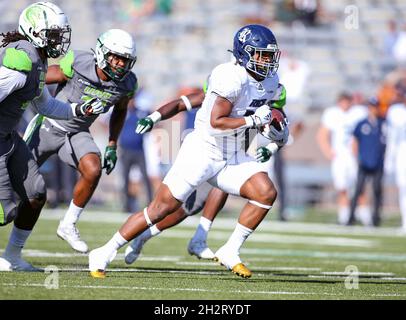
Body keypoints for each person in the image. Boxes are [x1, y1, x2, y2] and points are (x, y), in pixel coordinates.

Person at [89, 24, 289, 279]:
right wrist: (254, 121)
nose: (268, 61)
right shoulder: (230, 77)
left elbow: (270, 111)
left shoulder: (271, 81)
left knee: (265, 192)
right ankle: (105, 250)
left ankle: (230, 249)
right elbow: (217, 123)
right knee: (160, 209)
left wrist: (277, 128)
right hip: (204, 150)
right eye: (262, 54)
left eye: (270, 55)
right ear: (245, 53)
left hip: (233, 153)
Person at [124, 85, 287, 264]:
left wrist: (270, 149)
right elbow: (182, 103)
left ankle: (200, 238)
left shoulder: (266, 104)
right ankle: (143, 237)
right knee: (177, 208)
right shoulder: (229, 92)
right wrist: (154, 117)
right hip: (205, 153)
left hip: (233, 155)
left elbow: (281, 134)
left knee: (200, 202)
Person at [0, 2, 104, 271]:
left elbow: (44, 105)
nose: (59, 40)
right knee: (5, 212)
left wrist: (79, 108)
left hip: (9, 137)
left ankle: (11, 257)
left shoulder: (37, 59)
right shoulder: (21, 59)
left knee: (35, 193)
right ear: (35, 31)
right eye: (54, 34)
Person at [26, 28, 138, 253]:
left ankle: (68, 224)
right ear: (101, 53)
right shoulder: (78, 63)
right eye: (115, 57)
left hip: (77, 132)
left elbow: (120, 110)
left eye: (125, 60)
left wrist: (112, 144)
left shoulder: (127, 83)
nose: (119, 64)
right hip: (48, 126)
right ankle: (12, 249)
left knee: (93, 169)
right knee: (18, 187)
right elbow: (34, 78)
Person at [317, 92, 368, 225]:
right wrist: (328, 151)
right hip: (340, 156)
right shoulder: (332, 113)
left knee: (359, 186)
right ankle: (344, 216)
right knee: (342, 187)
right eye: (342, 101)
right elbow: (322, 134)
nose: (345, 104)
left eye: (347, 101)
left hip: (355, 156)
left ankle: (364, 215)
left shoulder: (359, 112)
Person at [347, 98, 387, 226]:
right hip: (364, 162)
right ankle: (350, 218)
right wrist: (356, 157)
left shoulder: (383, 123)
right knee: (358, 190)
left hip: (378, 162)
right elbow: (354, 141)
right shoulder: (362, 123)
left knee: (377, 191)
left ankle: (376, 219)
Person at [385, 82, 406, 233]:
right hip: (401, 153)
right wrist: (390, 158)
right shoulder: (395, 111)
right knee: (403, 188)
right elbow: (393, 136)